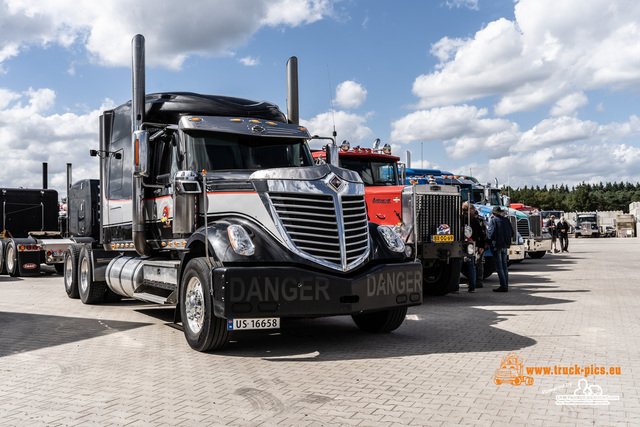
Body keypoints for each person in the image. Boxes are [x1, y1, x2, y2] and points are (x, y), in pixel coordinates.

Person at [453, 202, 484, 293]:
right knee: (472, 266)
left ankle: (456, 286)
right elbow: (481, 233)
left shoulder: (459, 219)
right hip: (472, 245)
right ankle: (472, 286)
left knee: (458, 266)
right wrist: (481, 245)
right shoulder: (474, 219)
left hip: (462, 244)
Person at [488, 206, 513, 292]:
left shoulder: (493, 221)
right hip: (505, 245)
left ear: (494, 213)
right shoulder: (506, 220)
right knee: (504, 265)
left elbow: (491, 234)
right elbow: (512, 233)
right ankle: (505, 284)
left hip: (497, 245)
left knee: (499, 267)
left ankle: (503, 286)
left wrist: (487, 242)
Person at [474, 210, 488, 288]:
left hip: (475, 244)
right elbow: (484, 234)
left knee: (475, 264)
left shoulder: (473, 220)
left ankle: (475, 281)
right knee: (480, 263)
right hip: (481, 244)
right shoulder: (482, 219)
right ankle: (479, 281)